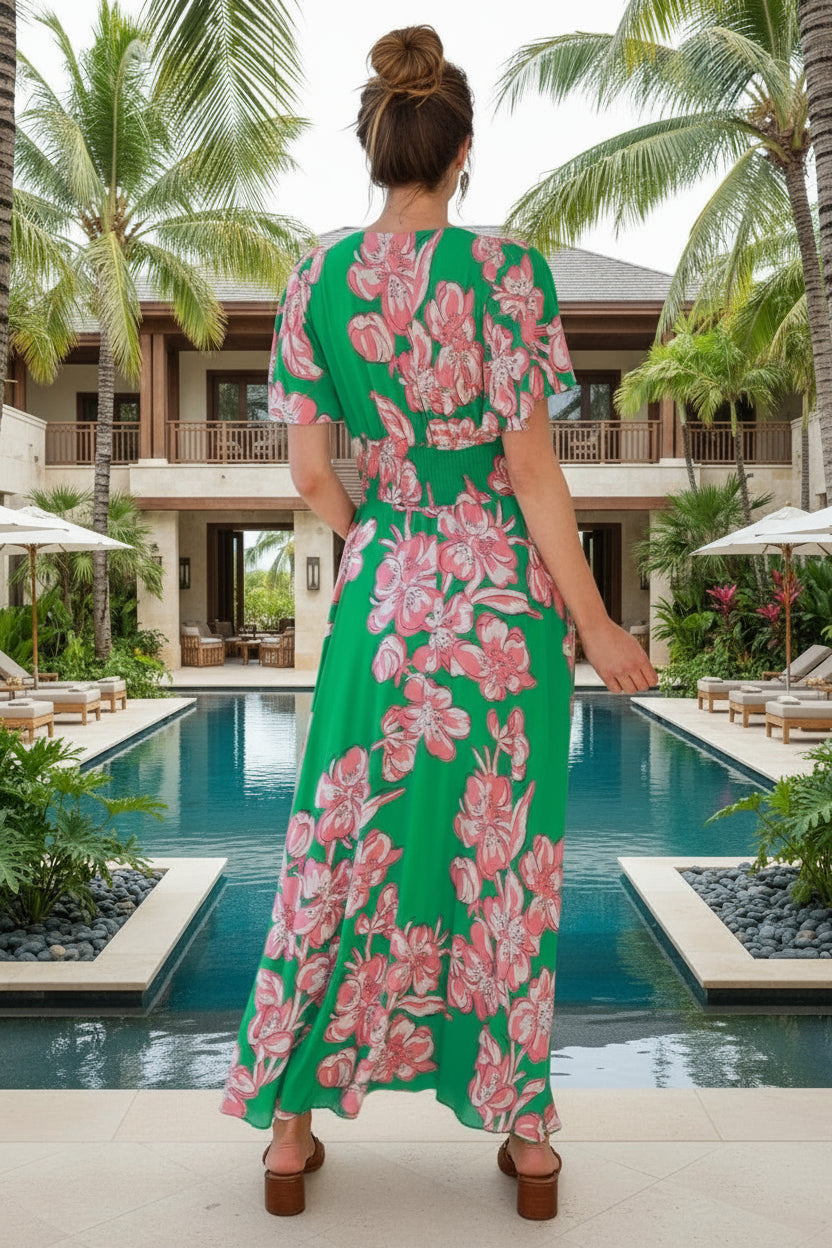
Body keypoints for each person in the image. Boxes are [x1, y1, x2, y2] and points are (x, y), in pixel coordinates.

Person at [221, 24, 658, 1222]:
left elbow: (311, 478)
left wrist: (390, 531)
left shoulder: (313, 280)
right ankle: (522, 1139)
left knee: (335, 848)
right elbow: (532, 476)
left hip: (381, 599)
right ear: (461, 151)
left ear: (378, 150)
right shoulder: (509, 271)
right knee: (501, 863)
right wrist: (601, 624)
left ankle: (291, 1130)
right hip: (501, 613)